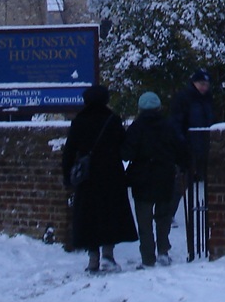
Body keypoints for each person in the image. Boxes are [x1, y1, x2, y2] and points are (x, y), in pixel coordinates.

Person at [61, 84, 137, 274]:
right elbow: (123, 146)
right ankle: (108, 255)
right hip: (111, 174)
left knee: (89, 217)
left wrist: (67, 175)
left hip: (88, 177)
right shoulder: (112, 120)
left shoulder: (80, 121)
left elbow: (69, 151)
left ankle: (93, 258)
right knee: (109, 215)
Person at [122, 92, 188, 268]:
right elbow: (180, 151)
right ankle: (163, 251)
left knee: (144, 221)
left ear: (140, 108)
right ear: (159, 108)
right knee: (163, 217)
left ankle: (147, 257)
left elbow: (126, 153)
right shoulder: (168, 126)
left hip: (141, 179)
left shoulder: (136, 127)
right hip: (164, 177)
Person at [170, 69, 215, 180]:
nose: (204, 87)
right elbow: (176, 121)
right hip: (188, 146)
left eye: (207, 85)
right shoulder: (184, 98)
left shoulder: (208, 99)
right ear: (194, 83)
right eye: (202, 84)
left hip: (204, 144)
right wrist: (182, 140)